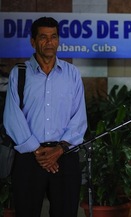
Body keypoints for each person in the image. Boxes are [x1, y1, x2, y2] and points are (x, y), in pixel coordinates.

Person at [3, 17, 87, 217]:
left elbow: (79, 118)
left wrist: (58, 150)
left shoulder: (72, 73)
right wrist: (38, 151)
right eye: (43, 37)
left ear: (58, 40)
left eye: (54, 37)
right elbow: (12, 118)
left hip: (64, 157)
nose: (49, 42)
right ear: (33, 41)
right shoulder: (19, 73)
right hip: (29, 158)